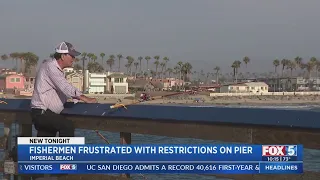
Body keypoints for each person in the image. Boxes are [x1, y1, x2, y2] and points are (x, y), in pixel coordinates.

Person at [30, 41, 97, 137]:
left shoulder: (54, 69)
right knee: (67, 126)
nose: (74, 59)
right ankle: (66, 152)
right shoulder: (50, 67)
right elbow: (65, 87)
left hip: (46, 114)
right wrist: (85, 98)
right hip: (42, 113)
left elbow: (60, 91)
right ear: (62, 56)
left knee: (45, 149)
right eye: (72, 56)